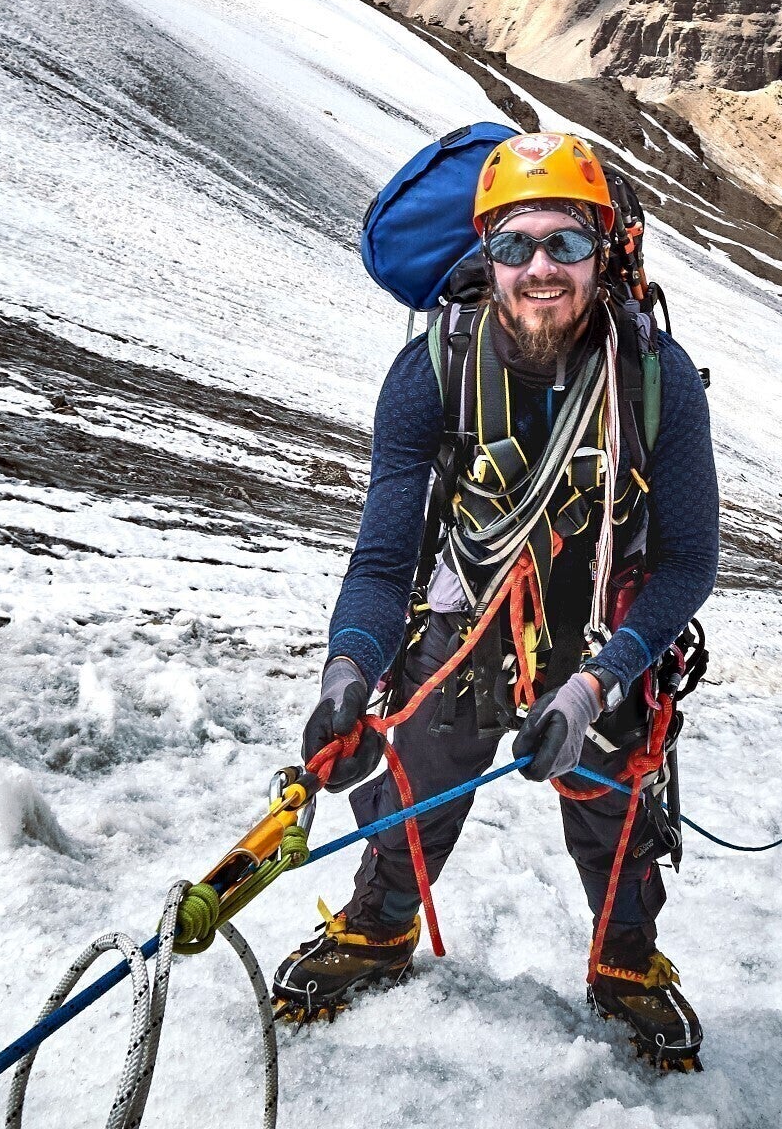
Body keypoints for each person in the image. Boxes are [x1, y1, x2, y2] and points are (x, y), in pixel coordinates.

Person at [274, 130, 720, 1068]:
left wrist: (599, 683)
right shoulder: (432, 369)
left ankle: (625, 962)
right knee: (412, 787)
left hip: (606, 627)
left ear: (607, 253)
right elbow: (384, 555)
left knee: (620, 810)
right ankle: (379, 926)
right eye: (515, 245)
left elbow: (685, 563)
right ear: (487, 257)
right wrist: (350, 668)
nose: (540, 268)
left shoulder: (657, 380)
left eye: (566, 242)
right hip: (467, 615)